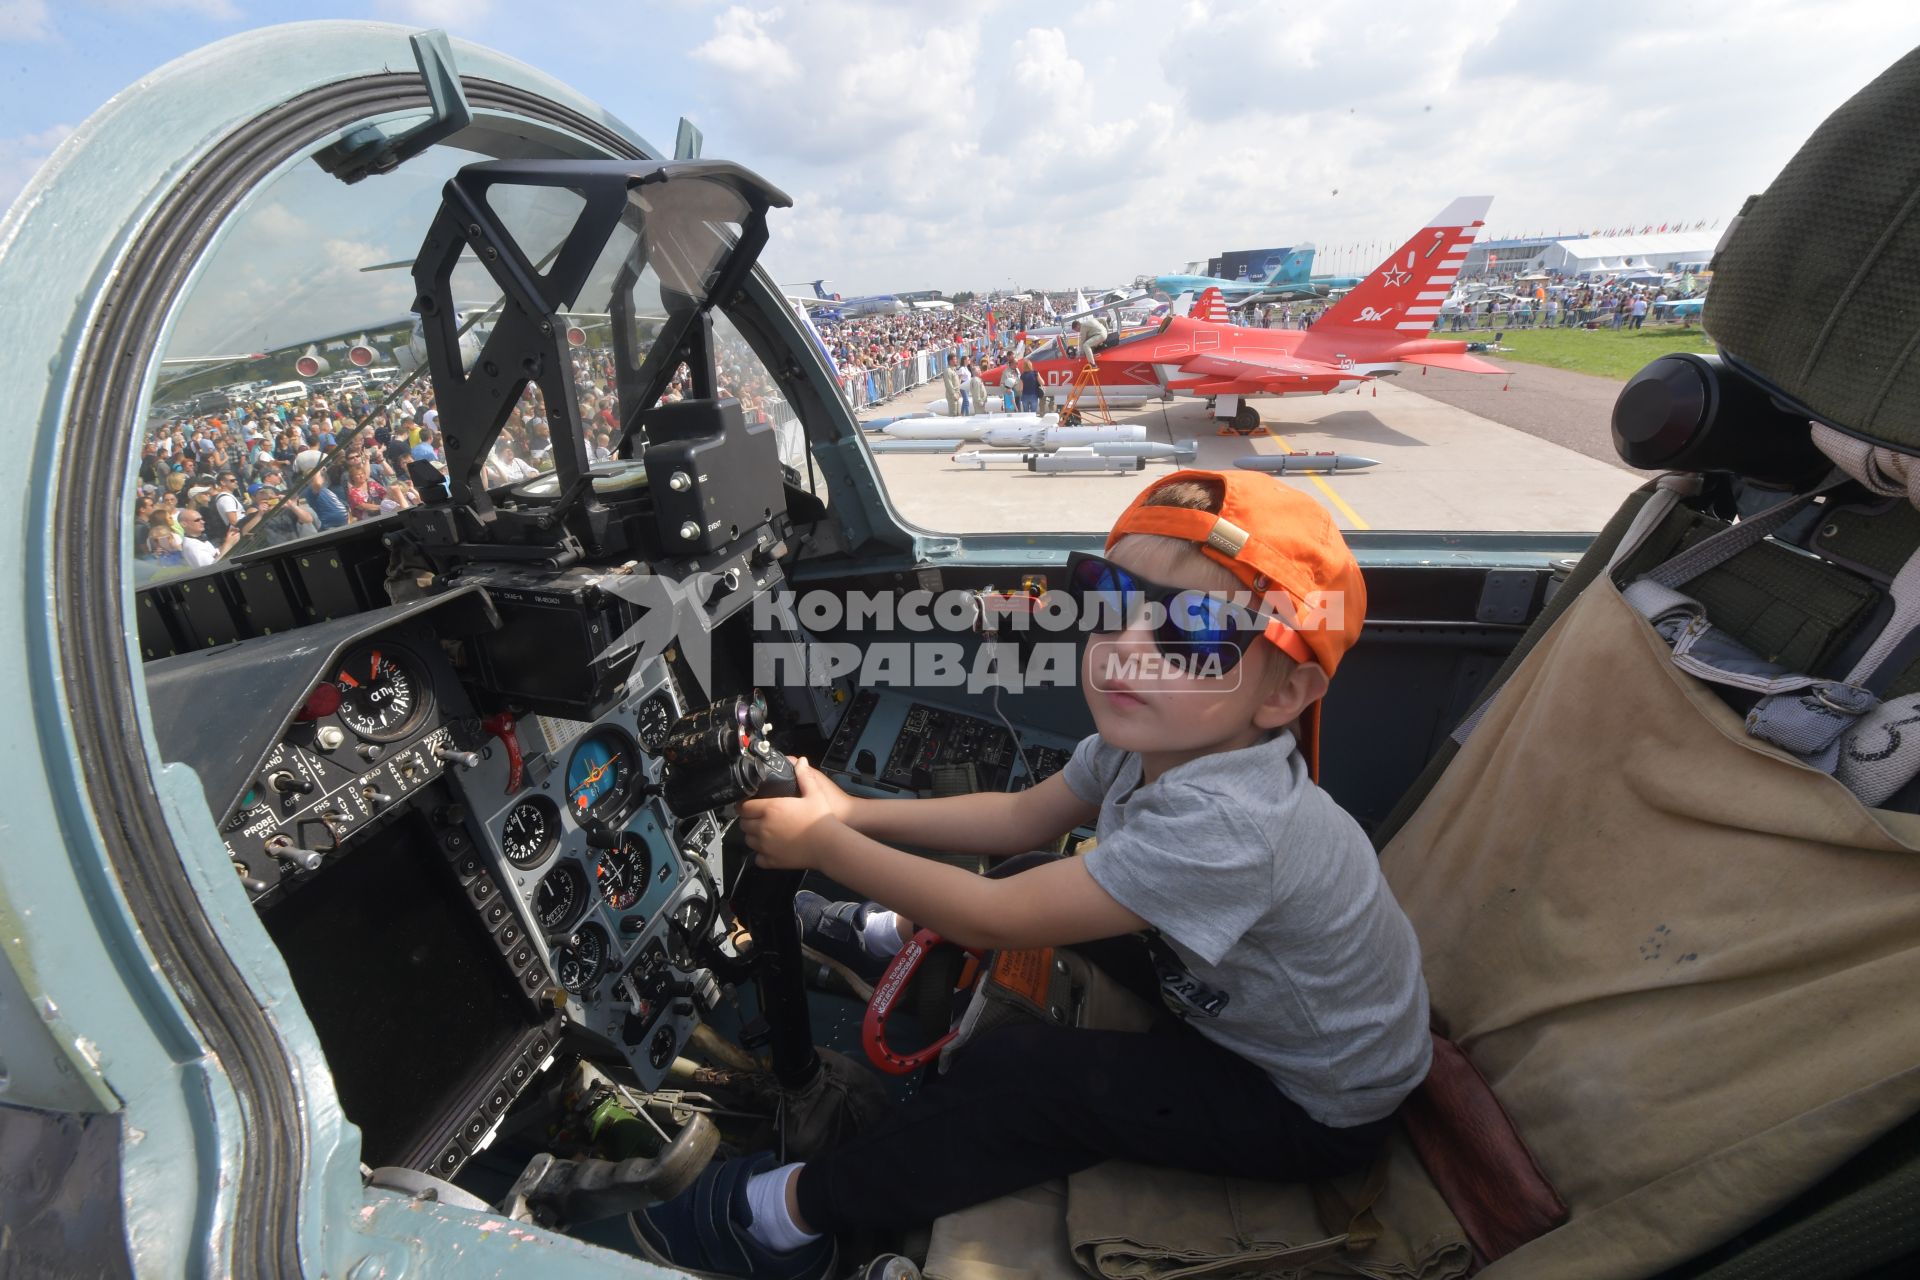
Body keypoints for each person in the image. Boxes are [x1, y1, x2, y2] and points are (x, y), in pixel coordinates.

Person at [632, 471, 1431, 1280]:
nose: (1127, 647)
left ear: (1286, 690)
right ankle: (892, 943)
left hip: (1306, 1099)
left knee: (1025, 1081)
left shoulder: (1235, 825)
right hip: (1241, 993)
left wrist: (823, 849)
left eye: (1193, 629)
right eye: (1112, 600)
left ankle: (784, 1220)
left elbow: (992, 917)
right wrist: (846, 814)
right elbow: (1019, 821)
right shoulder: (1146, 742)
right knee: (1025, 867)